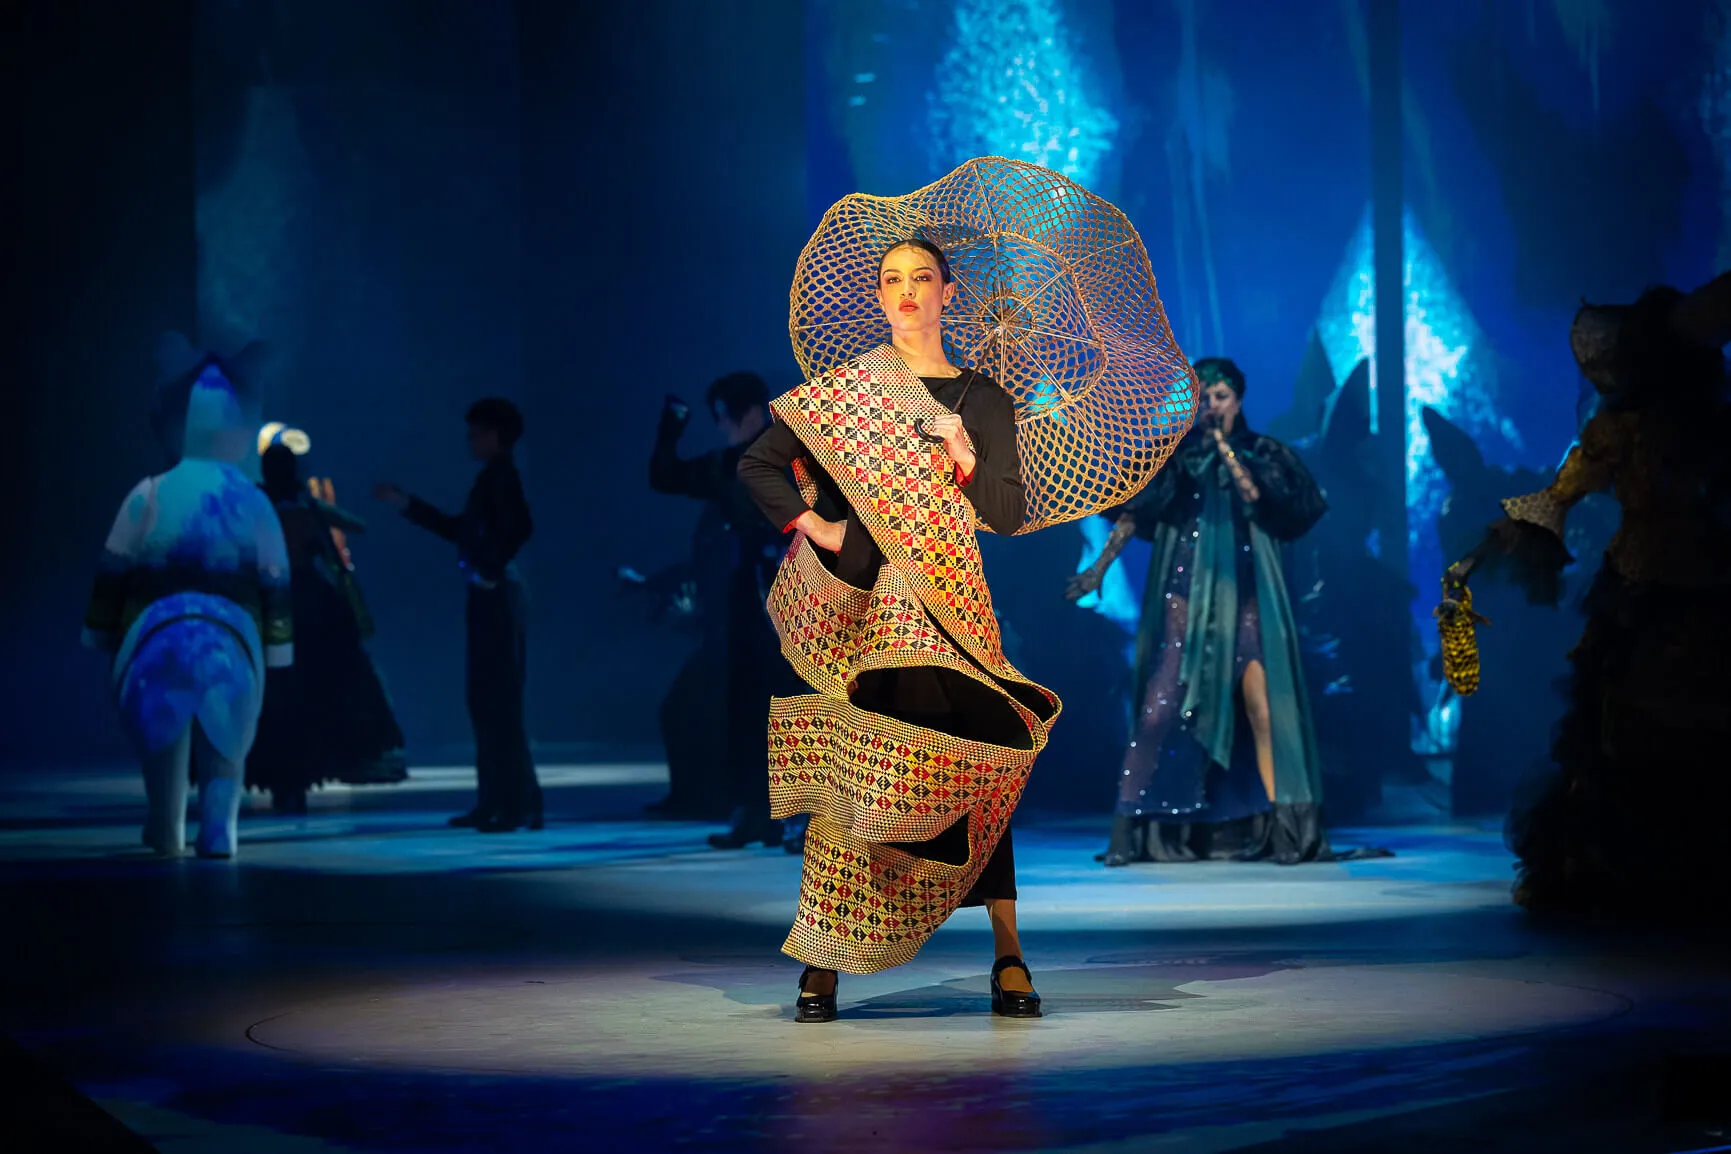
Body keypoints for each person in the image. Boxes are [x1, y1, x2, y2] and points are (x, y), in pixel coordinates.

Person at [738, 238, 1059, 1022]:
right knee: (857, 772)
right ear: (879, 297)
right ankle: (823, 954)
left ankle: (1007, 950)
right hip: (868, 611)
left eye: (922, 278)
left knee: (978, 766)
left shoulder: (983, 399)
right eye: (892, 280)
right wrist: (820, 527)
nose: (907, 291)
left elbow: (1007, 511)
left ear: (948, 292)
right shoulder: (850, 391)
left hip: (952, 612)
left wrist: (961, 451)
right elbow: (758, 464)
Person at [1443, 272, 1731, 923]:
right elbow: (1560, 493)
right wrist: (1496, 538)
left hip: (1699, 589)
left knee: (1690, 722)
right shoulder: (1619, 431)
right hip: (1643, 590)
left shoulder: (1708, 428)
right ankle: (1633, 867)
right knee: (1623, 728)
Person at [1068, 357, 1338, 865]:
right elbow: (1134, 513)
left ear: (1237, 399)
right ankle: (1130, 831)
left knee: (1263, 709)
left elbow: (1261, 498)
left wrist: (1223, 448)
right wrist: (1099, 569)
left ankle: (1287, 830)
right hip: (1185, 596)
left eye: (1220, 397)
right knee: (1158, 710)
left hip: (1246, 597)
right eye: (1203, 398)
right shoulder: (1178, 455)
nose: (1211, 406)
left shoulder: (1261, 452)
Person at [83, 343, 292, 858]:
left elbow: (112, 572)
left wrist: (100, 634)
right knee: (227, 750)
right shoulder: (253, 501)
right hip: (233, 642)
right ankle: (219, 830)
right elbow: (276, 582)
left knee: (161, 746)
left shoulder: (148, 493)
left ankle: (166, 824)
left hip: (153, 639)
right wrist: (277, 650)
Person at [375, 398, 541, 833]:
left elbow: (521, 526)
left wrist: (490, 568)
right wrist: (408, 503)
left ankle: (514, 803)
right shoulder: (490, 479)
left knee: (498, 701)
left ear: (495, 435)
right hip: (488, 596)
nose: (470, 440)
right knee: (487, 701)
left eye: (476, 433)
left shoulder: (501, 477)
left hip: (497, 597)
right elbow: (458, 530)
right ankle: (499, 800)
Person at [647, 373, 798, 847]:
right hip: (747, 594)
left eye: (722, 417)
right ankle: (756, 811)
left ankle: (804, 817)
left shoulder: (791, 457)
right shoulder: (732, 462)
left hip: (791, 594)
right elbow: (665, 476)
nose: (720, 427)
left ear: (748, 412)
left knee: (792, 703)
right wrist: (671, 426)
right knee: (748, 702)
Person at [246, 436, 407, 813]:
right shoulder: (306, 510)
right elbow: (357, 527)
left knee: (276, 693)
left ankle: (285, 778)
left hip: (272, 605)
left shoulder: (257, 510)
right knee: (317, 686)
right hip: (310, 605)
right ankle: (301, 774)